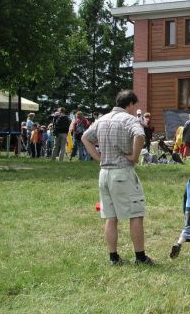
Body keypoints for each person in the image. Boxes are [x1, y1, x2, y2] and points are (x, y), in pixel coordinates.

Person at [82, 90, 154, 265]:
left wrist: (98, 157)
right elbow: (139, 135)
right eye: (134, 106)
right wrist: (135, 157)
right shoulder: (129, 119)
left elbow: (85, 137)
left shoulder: (102, 119)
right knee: (135, 214)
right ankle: (140, 257)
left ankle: (113, 257)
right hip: (122, 172)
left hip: (104, 173)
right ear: (129, 104)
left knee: (110, 216)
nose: (134, 109)